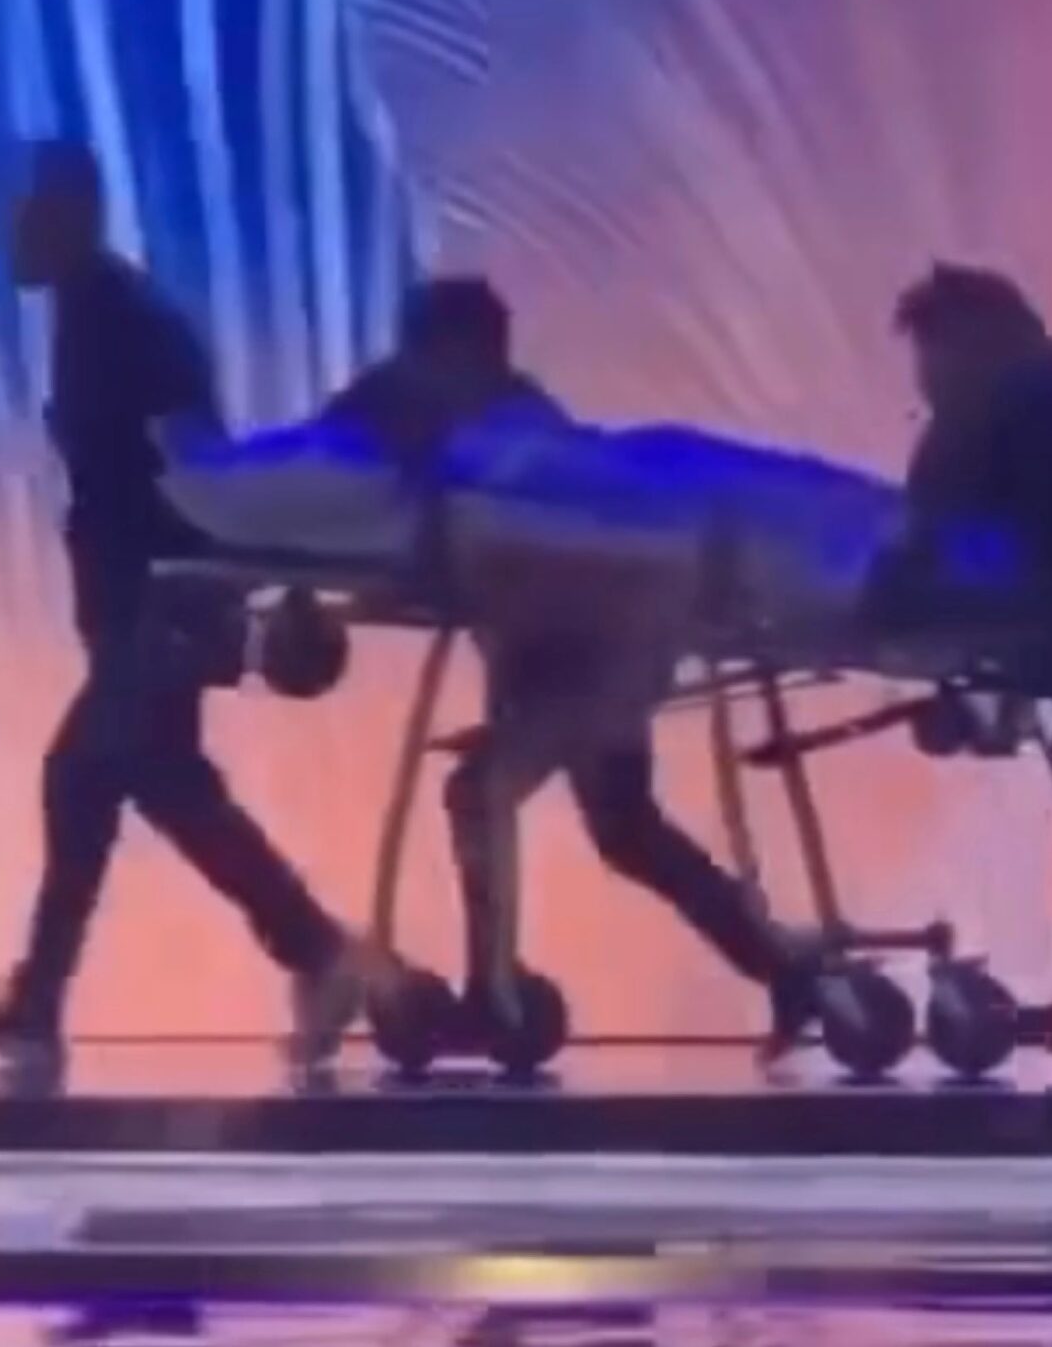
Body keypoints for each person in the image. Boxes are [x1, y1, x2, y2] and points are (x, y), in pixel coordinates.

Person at [0, 143, 382, 1062]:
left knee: (93, 775)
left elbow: (192, 460)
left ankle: (314, 950)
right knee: (146, 783)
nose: (10, 235)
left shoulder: (119, 318)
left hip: (160, 598)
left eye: (25, 215)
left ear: (67, 213)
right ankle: (306, 953)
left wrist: (218, 584)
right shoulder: (96, 310)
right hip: (146, 595)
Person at [323, 278, 822, 1055]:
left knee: (486, 795)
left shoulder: (515, 432)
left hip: (597, 652)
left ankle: (494, 995)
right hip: (569, 649)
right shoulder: (454, 410)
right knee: (623, 825)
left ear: (456, 350)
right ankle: (784, 970)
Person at [881, 264, 1052, 1054]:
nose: (924, 381)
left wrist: (891, 627)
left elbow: (924, 541)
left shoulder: (994, 400)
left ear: (958, 341)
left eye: (927, 355)